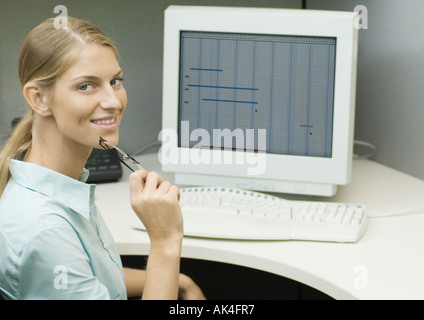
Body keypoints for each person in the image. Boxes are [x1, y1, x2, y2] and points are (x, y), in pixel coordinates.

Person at [0, 16, 205, 300]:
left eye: (115, 81)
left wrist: (181, 281)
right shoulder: (47, 231)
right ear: (39, 99)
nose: (113, 101)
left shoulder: (57, 184)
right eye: (86, 86)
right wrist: (166, 243)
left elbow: (87, 274)